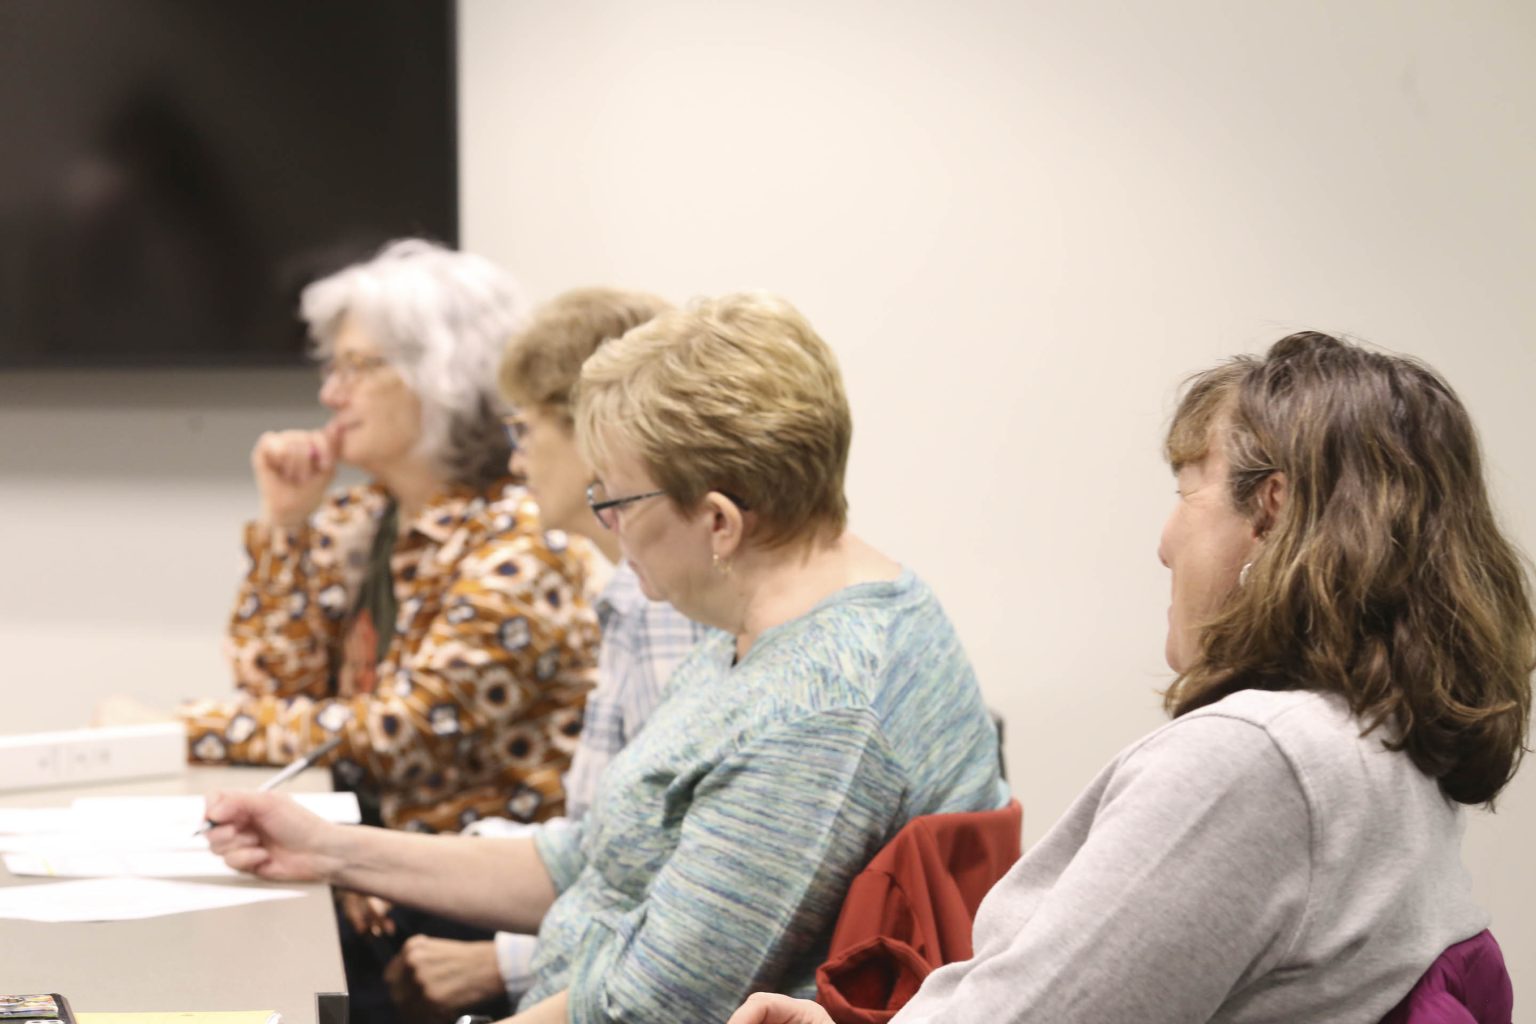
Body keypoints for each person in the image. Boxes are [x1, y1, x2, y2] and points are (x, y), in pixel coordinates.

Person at [206, 292, 1007, 1024]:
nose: (606, 526)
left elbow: (653, 1006)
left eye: (615, 500)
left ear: (720, 523)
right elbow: (589, 861)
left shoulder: (818, 709)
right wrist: (326, 847)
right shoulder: (760, 622)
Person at [727, 332, 1534, 1024]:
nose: (1164, 542)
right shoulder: (1378, 749)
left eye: (1188, 490)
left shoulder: (1256, 764)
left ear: (1271, 512)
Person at [355, 288, 713, 1024]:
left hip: (580, 965)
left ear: (594, 433)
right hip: (566, 927)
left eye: (524, 429)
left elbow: (656, 873)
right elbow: (603, 847)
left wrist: (501, 962)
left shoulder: (665, 605)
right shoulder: (630, 589)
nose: (516, 459)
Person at [178, 239, 602, 833]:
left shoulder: (523, 538)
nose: (331, 395)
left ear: (443, 374)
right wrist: (286, 526)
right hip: (352, 855)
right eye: (333, 369)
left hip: (463, 873)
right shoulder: (360, 517)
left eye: (358, 367)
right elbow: (269, 687)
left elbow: (404, 735)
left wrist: (182, 730)